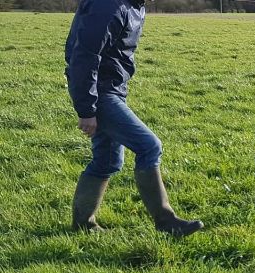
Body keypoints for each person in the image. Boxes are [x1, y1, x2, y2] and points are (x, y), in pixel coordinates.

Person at [65, 0, 202, 236]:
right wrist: (87, 109)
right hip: (100, 92)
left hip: (112, 89)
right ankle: (166, 222)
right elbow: (85, 55)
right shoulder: (108, 5)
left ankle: (83, 225)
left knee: (106, 161)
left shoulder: (134, 5)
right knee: (149, 146)